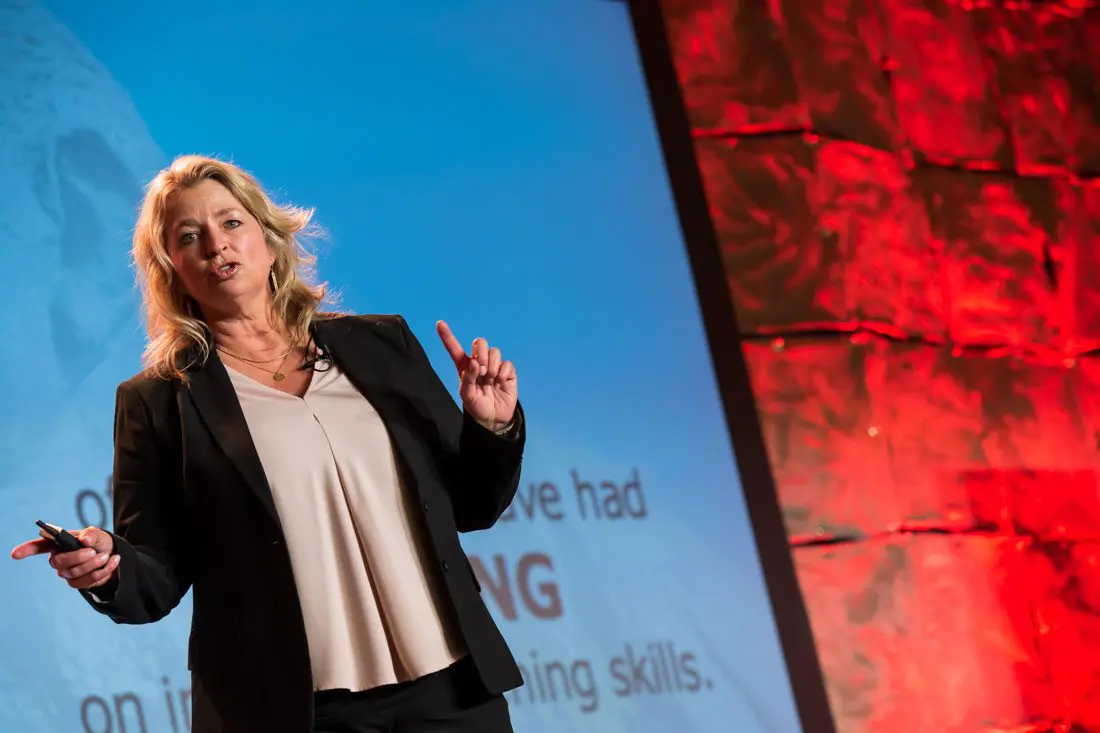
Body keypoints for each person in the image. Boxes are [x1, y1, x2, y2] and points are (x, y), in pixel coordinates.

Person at [11, 155, 526, 732]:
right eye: (189, 236)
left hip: (451, 692)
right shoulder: (158, 401)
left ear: (269, 236)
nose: (216, 245)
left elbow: (474, 506)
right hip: (291, 710)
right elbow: (153, 575)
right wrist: (107, 566)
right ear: (171, 268)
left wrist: (492, 427)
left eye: (231, 223)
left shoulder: (382, 346)